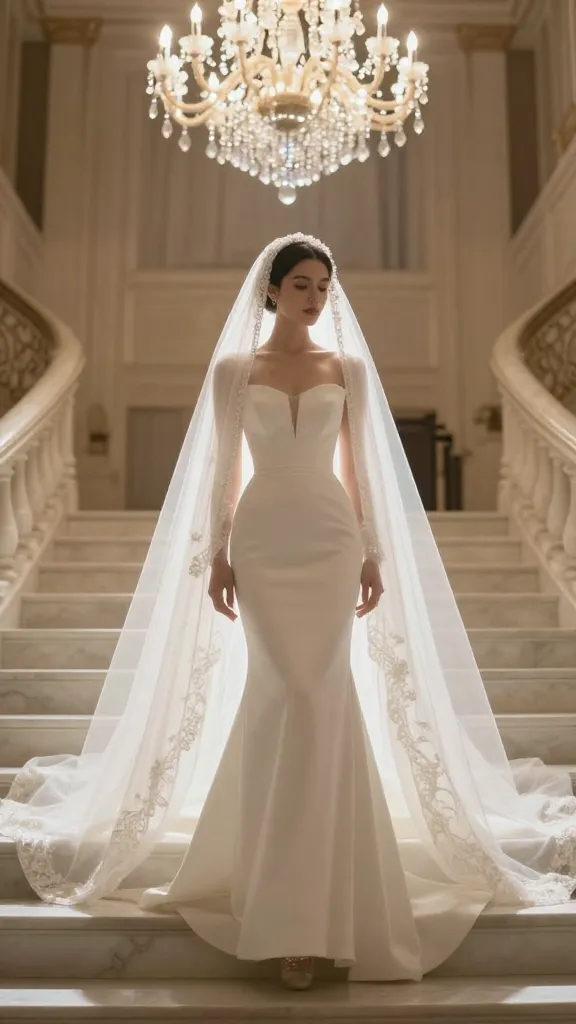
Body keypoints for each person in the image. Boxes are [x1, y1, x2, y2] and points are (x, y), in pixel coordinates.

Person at [3, 233, 576, 993]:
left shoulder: (349, 369)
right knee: (286, 695)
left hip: (332, 539)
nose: (314, 298)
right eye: (301, 284)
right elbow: (220, 468)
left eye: (322, 287)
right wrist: (217, 554)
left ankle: (317, 911)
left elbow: (359, 468)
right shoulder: (234, 371)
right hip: (265, 540)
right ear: (270, 291)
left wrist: (371, 549)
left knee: (318, 696)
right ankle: (282, 906)